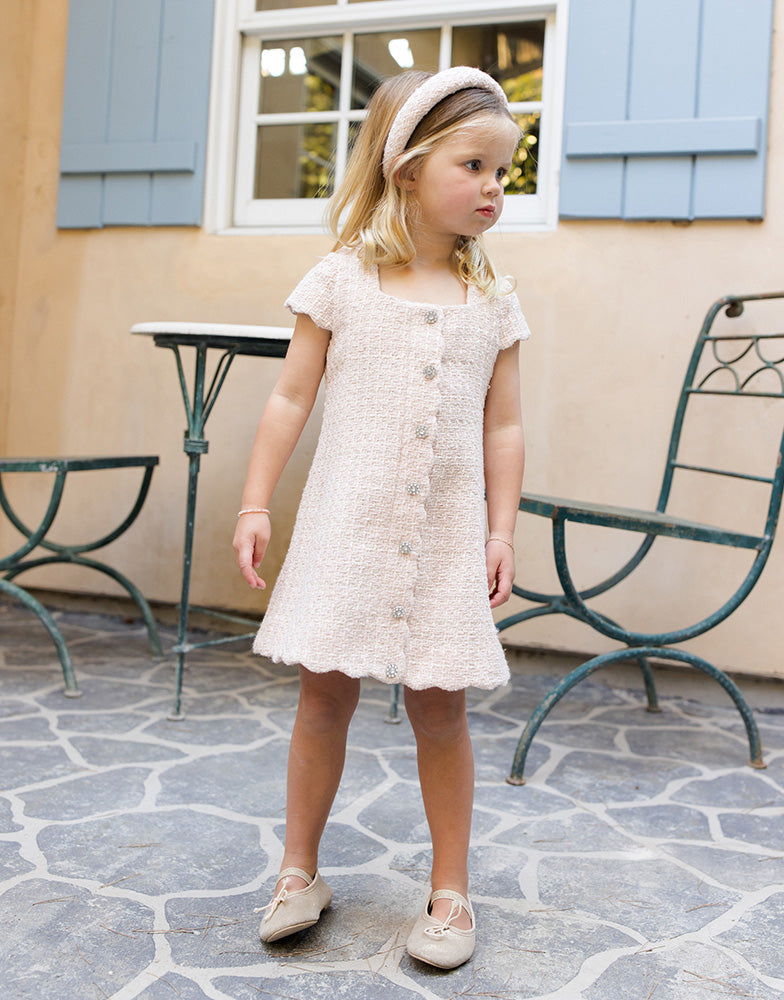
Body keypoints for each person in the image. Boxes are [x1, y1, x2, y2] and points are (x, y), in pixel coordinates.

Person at [232, 65, 530, 970]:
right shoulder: (343, 280)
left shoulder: (493, 300)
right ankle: (298, 871)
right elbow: (288, 400)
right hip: (347, 533)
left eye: (503, 174)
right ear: (406, 168)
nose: (492, 189)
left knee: (441, 710)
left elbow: (505, 423)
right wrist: (254, 502)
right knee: (324, 698)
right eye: (474, 166)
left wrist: (501, 529)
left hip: (442, 546)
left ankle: (450, 891)